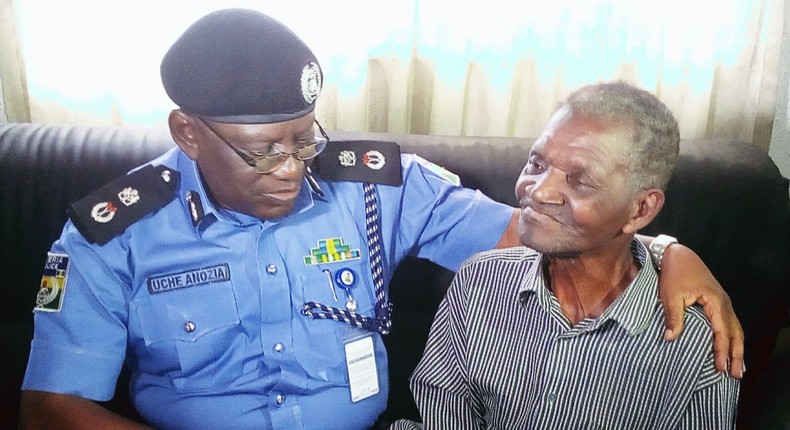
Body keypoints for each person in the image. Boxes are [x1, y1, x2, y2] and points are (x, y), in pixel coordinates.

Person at [19, 9, 742, 430]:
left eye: (305, 138)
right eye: (263, 153)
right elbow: (51, 405)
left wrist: (664, 247)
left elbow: (537, 233)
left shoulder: (379, 187)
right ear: (187, 132)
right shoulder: (110, 233)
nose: (296, 169)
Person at [394, 81, 741, 430]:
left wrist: (671, 249)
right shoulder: (478, 282)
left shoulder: (700, 342)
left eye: (579, 181)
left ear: (640, 210)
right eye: (536, 163)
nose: (538, 190)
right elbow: (445, 412)